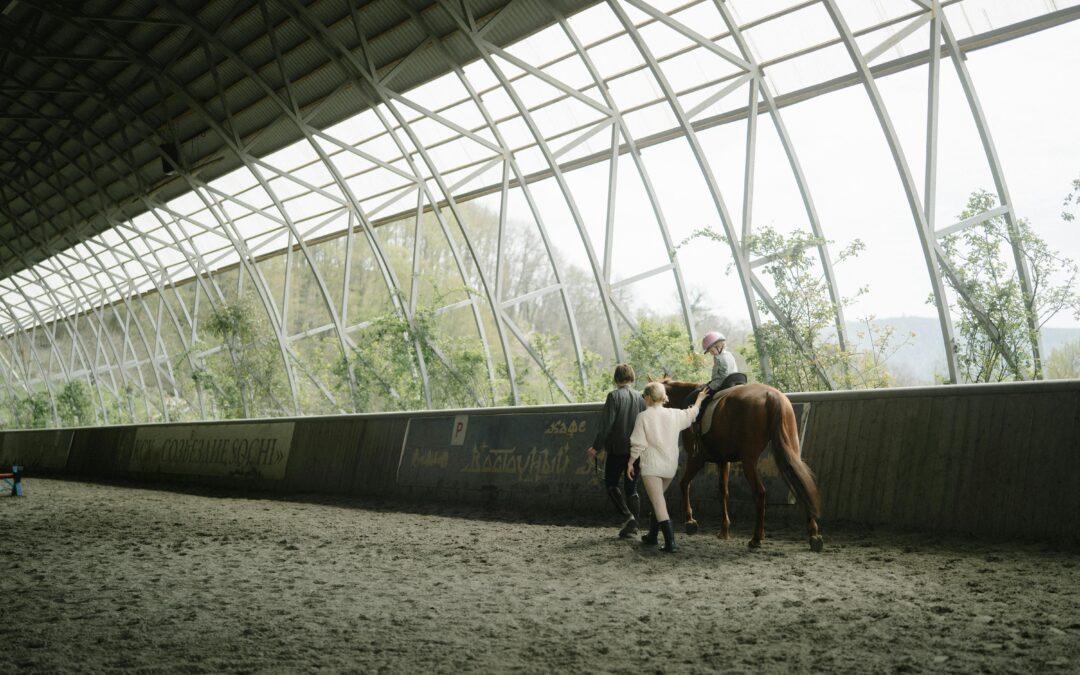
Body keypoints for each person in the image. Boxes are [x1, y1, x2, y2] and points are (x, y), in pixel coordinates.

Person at [627, 381, 706, 552]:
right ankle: (652, 536)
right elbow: (692, 413)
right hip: (669, 468)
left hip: (652, 468)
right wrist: (699, 400)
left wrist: (630, 463)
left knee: (659, 503)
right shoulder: (674, 414)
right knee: (658, 500)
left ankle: (671, 543)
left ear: (648, 397)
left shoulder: (643, 417)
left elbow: (638, 444)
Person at [586, 364, 646, 538]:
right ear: (632, 377)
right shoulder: (640, 398)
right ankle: (634, 526)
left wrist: (595, 447)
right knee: (632, 488)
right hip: (636, 450)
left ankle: (628, 516)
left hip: (617, 450)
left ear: (616, 378)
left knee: (611, 483)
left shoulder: (613, 397)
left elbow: (606, 425)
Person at [690, 331, 744, 425]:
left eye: (711, 351)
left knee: (703, 397)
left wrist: (710, 386)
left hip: (722, 383)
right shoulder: (728, 354)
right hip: (732, 381)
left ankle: (698, 420)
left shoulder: (720, 359)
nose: (711, 353)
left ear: (719, 346)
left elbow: (722, 377)